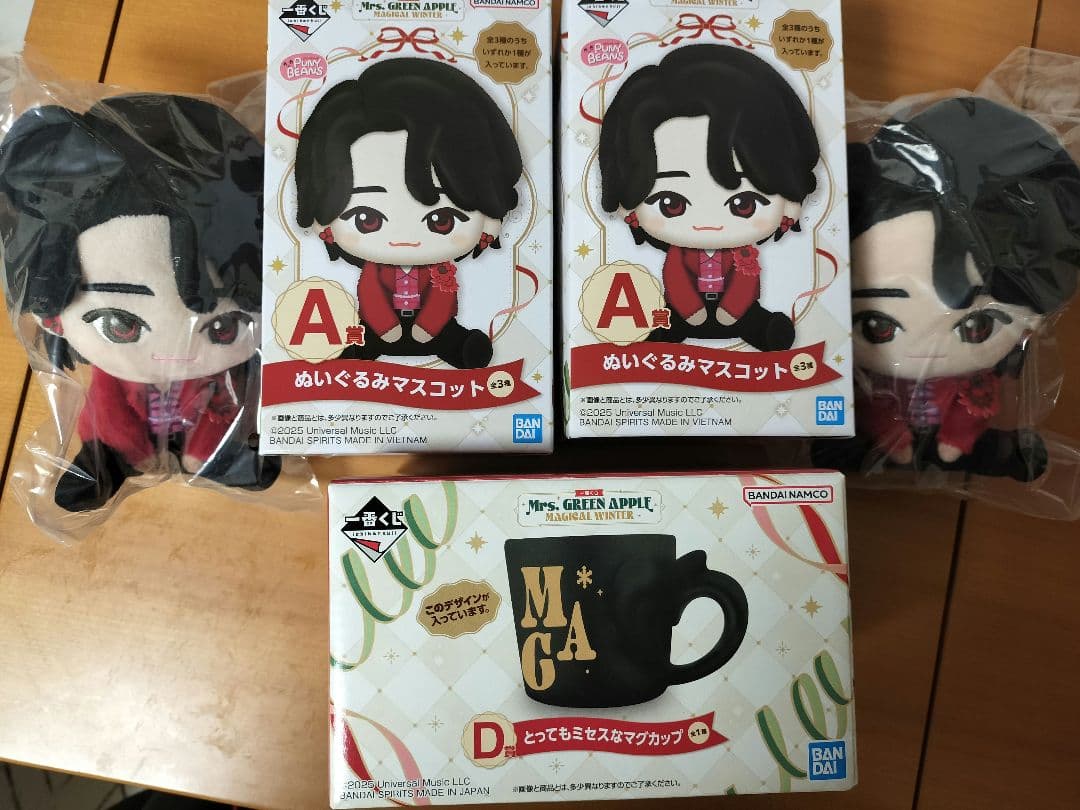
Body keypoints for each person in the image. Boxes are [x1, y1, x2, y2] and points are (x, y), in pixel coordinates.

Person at [0, 94, 278, 512]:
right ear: (53, 316)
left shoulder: (233, 375)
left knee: (230, 414)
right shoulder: (117, 370)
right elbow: (108, 407)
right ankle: (110, 459)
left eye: (223, 328)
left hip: (213, 417)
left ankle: (218, 455)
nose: (174, 354)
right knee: (109, 424)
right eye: (120, 324)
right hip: (136, 421)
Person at [826, 96, 1080, 480]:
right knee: (868, 420)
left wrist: (958, 438)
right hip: (877, 414)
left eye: (977, 326)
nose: (925, 350)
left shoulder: (973, 380)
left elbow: (973, 408)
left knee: (964, 431)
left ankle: (962, 452)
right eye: (878, 326)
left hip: (950, 422)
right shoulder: (870, 382)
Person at [294, 58, 523, 369]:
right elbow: (370, 294)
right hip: (380, 328)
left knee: (452, 339)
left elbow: (443, 299)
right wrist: (385, 326)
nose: (405, 240)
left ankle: (461, 349)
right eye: (367, 220)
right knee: (362, 341)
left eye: (441, 221)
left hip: (434, 328)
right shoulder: (375, 271)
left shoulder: (442, 271)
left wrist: (428, 327)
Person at [598, 44, 820, 351]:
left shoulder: (744, 254)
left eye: (743, 204)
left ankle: (765, 331)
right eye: (671, 204)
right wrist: (691, 310)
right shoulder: (680, 255)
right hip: (686, 310)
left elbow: (746, 282)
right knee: (668, 322)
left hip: (738, 311)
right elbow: (675, 278)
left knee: (756, 322)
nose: (709, 224)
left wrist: (732, 310)